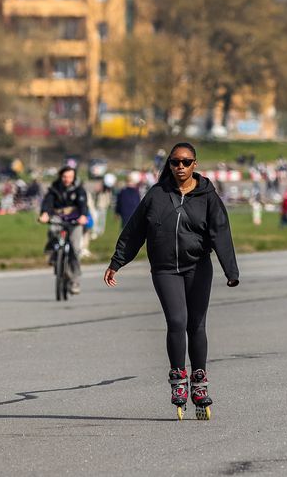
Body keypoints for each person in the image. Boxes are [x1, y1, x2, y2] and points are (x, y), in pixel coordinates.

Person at [104, 143, 239, 420]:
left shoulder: (207, 196)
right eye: (175, 162)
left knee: (196, 324)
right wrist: (117, 261)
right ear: (169, 164)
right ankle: (178, 378)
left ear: (195, 165)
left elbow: (221, 233)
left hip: (198, 267)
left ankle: (199, 382)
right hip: (165, 269)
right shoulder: (157, 195)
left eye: (186, 162)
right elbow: (134, 231)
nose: (180, 167)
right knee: (177, 321)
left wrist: (230, 270)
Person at [38, 166, 90, 294]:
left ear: (74, 177)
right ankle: (53, 254)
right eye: (65, 177)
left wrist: (83, 216)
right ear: (61, 177)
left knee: (75, 249)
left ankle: (74, 281)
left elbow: (83, 205)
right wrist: (44, 213)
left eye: (70, 177)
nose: (67, 179)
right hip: (58, 219)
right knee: (52, 230)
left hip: (75, 221)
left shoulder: (79, 190)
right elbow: (47, 203)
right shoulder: (54, 189)